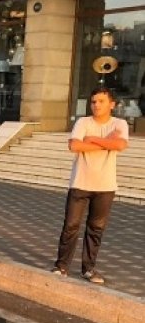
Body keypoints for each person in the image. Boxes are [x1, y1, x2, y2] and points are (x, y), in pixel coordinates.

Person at [52, 87, 129, 284]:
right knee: (71, 226)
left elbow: (120, 145)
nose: (96, 105)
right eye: (93, 102)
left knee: (96, 228)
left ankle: (88, 269)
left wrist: (93, 139)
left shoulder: (119, 123)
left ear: (112, 104)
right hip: (80, 182)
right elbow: (74, 146)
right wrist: (106, 142)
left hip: (105, 186)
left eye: (101, 101)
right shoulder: (83, 122)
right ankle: (61, 266)